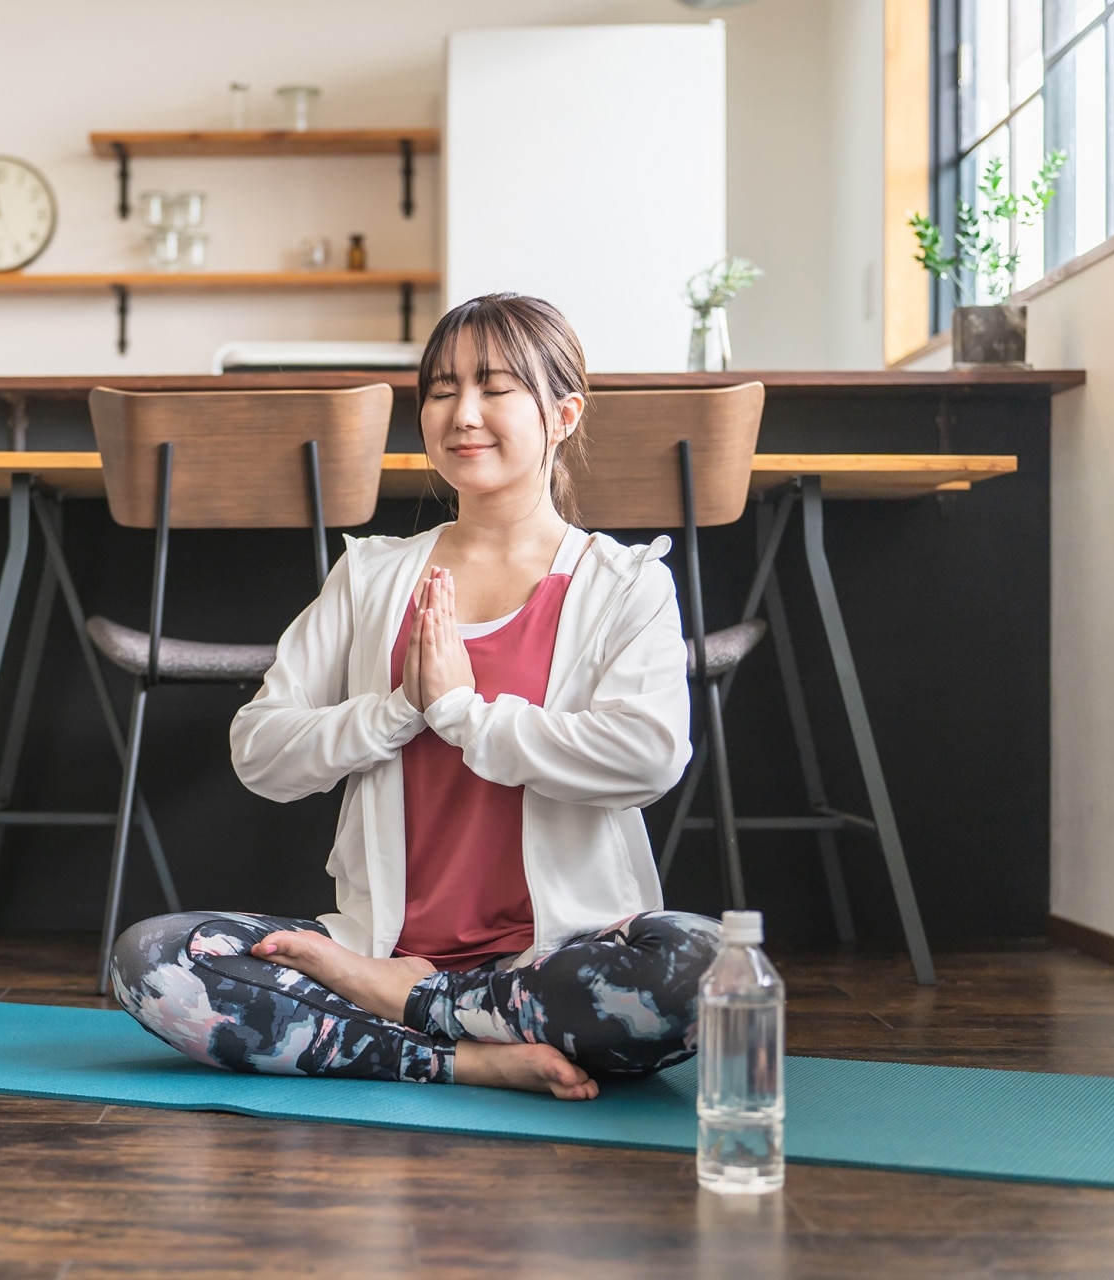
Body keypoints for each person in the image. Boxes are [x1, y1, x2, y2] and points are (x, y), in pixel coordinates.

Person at [107, 294, 722, 1100]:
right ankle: (464, 1054)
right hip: (378, 948)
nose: (463, 413)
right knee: (152, 961)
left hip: (553, 961)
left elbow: (646, 758)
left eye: (496, 388)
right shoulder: (370, 575)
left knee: (708, 970)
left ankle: (415, 1010)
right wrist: (400, 708)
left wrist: (465, 716)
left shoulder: (626, 584)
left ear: (564, 414)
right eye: (441, 390)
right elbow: (259, 750)